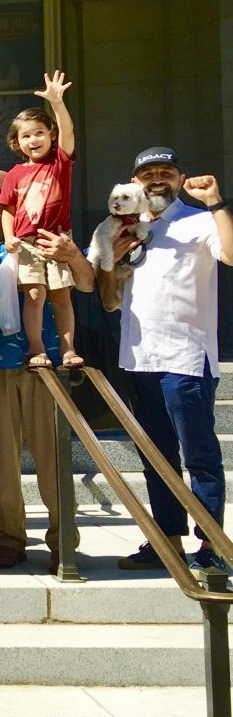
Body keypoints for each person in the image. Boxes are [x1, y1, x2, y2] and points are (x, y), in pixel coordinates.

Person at [0, 157, 103, 573]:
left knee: (51, 459)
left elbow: (85, 283)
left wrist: (72, 255)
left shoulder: (43, 236)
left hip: (42, 362)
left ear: (8, 200)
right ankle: (11, 539)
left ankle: (63, 541)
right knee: (3, 461)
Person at [111, 147, 233, 572]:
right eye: (148, 173)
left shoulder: (200, 220)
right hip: (138, 359)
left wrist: (216, 203)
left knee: (199, 455)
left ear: (180, 179)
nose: (157, 179)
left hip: (186, 358)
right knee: (155, 457)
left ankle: (213, 545)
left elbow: (232, 255)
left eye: (166, 172)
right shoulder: (128, 226)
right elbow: (112, 296)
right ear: (134, 182)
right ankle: (167, 543)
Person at [0, 70, 81, 369]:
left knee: (62, 295)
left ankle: (68, 348)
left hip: (57, 240)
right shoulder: (15, 174)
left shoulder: (60, 163)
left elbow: (69, 133)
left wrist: (57, 103)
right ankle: (36, 348)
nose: (33, 139)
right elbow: (7, 209)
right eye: (25, 135)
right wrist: (9, 237)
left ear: (51, 135)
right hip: (28, 244)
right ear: (16, 142)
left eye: (39, 132)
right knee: (34, 295)